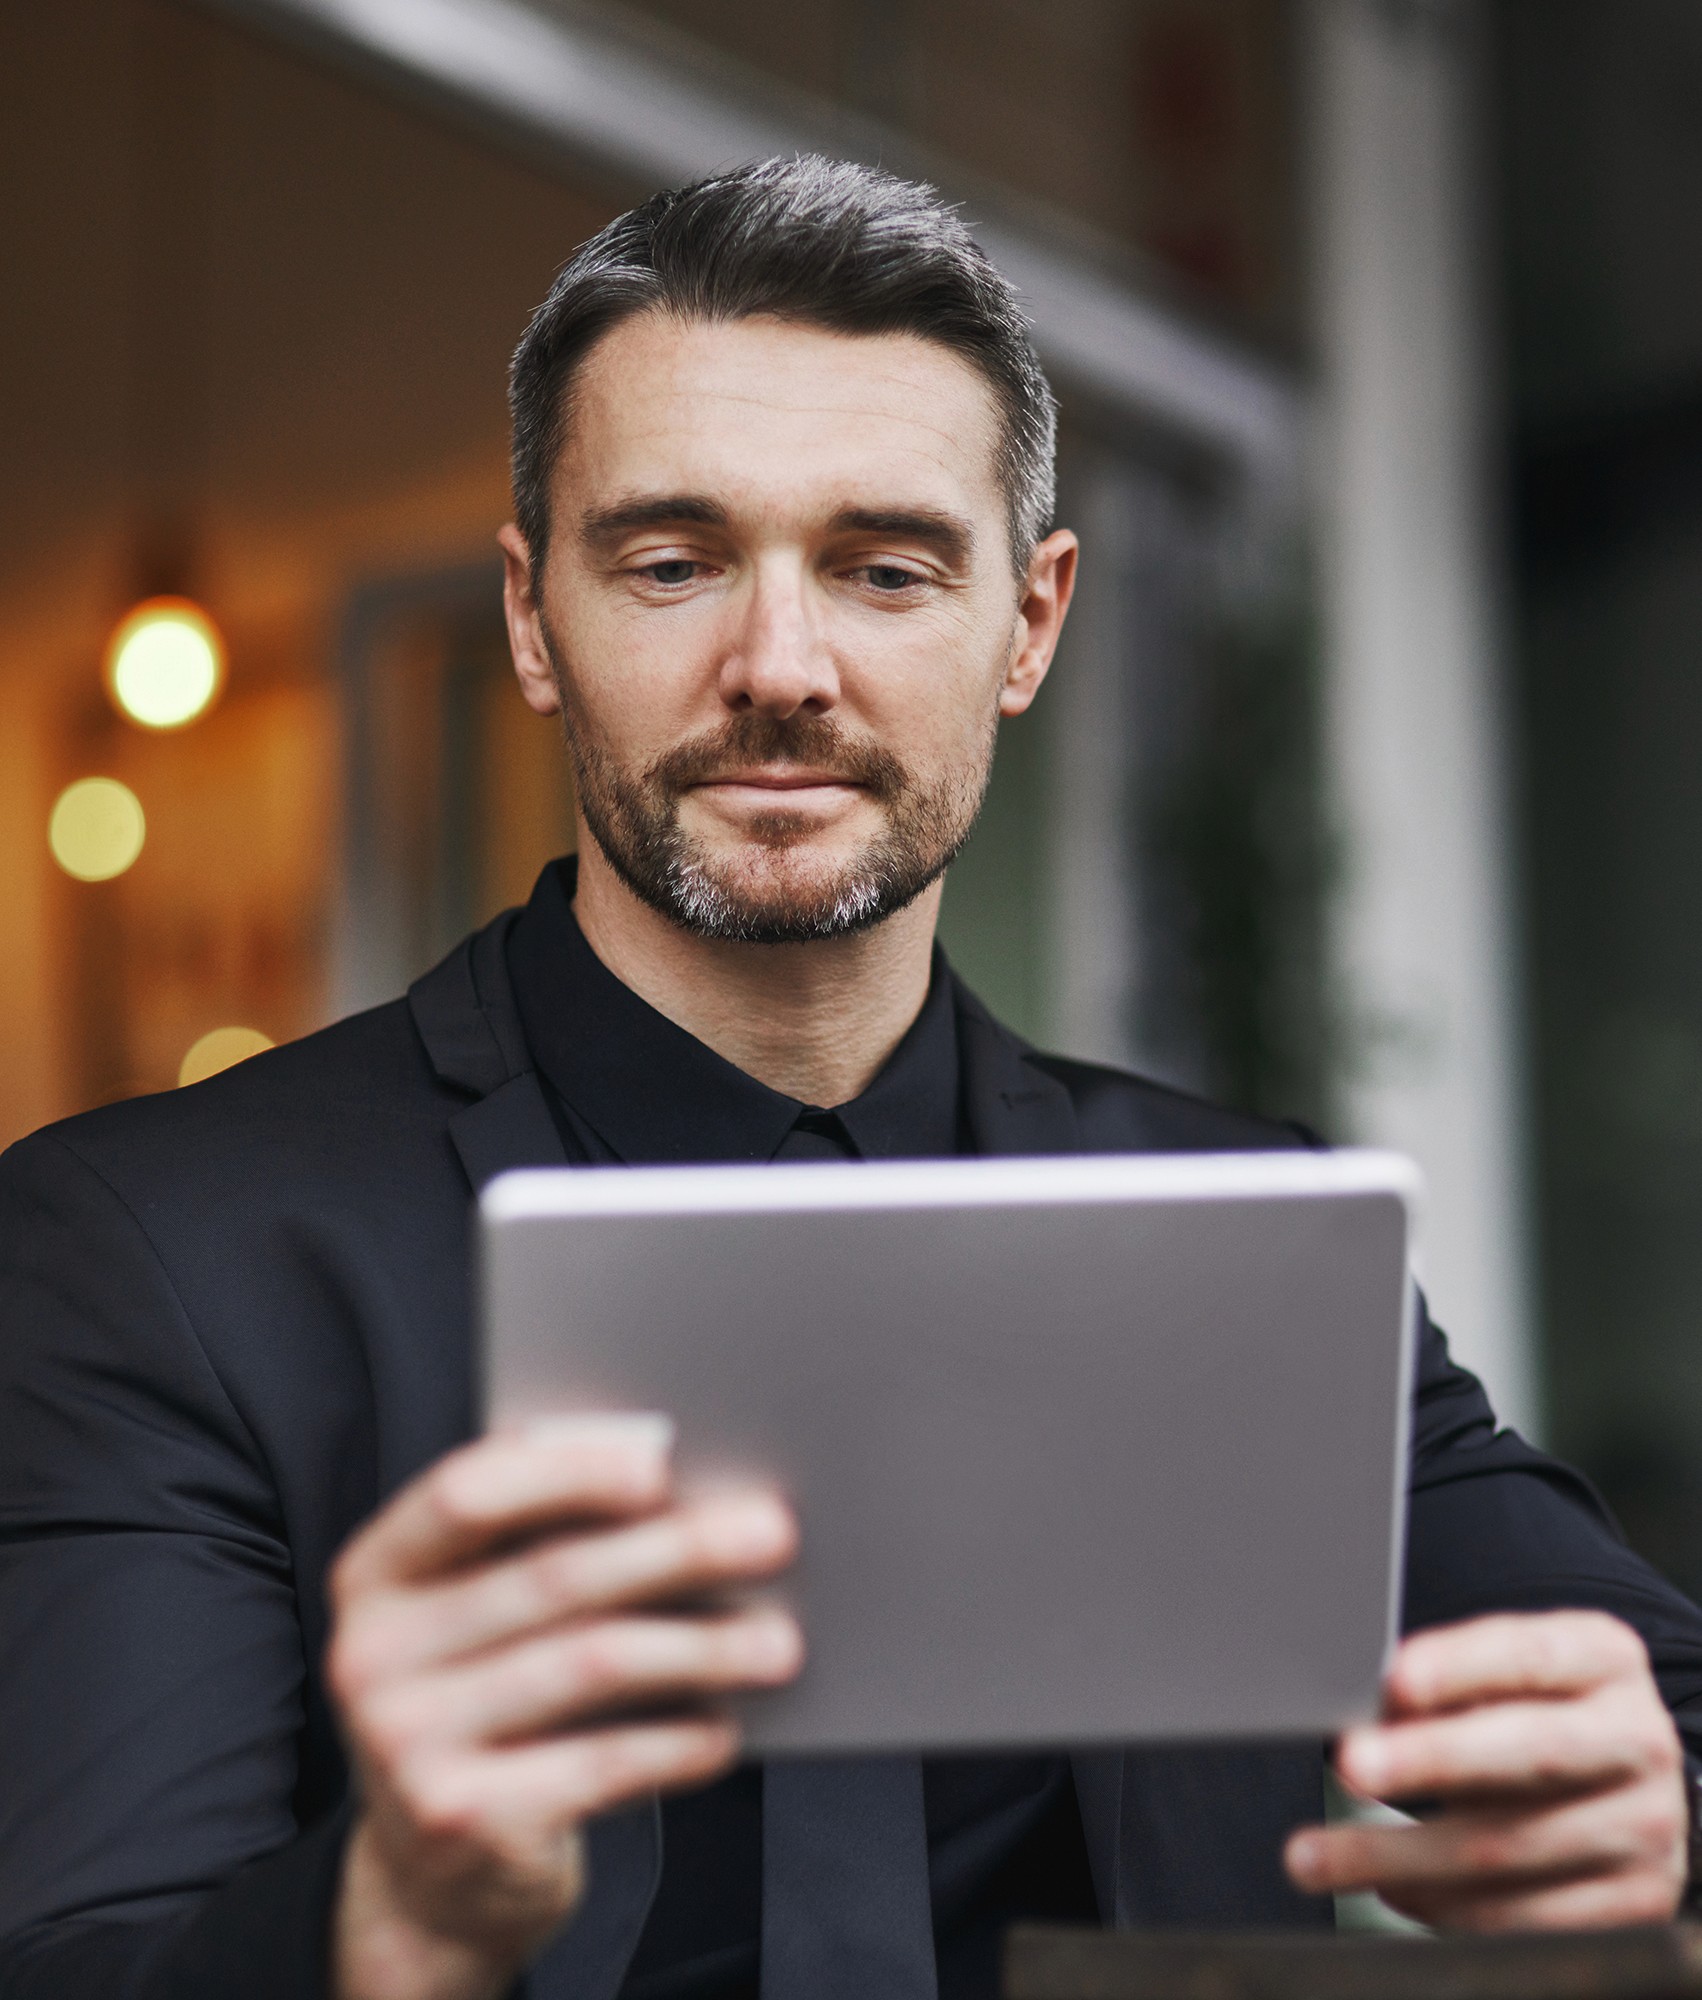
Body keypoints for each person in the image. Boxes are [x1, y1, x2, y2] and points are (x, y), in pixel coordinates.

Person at [1, 156, 1699, 2000]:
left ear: (1029, 626)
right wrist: (387, 1915)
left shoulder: (1236, 1235)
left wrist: (1650, 1796)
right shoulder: (146, 1252)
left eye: (883, 570)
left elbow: (1655, 1706)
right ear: (528, 616)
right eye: (672, 563)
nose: (779, 667)